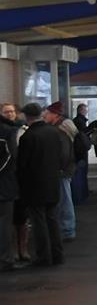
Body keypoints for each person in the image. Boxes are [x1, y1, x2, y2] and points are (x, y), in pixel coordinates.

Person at [17, 103, 67, 266]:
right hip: (53, 183)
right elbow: (61, 156)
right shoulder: (54, 132)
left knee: (39, 222)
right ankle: (57, 255)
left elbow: (22, 165)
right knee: (52, 220)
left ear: (26, 116)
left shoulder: (28, 137)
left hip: (34, 186)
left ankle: (43, 257)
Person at [43, 102, 78, 241]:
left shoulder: (60, 129)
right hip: (67, 167)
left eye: (47, 113)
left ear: (55, 115)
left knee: (64, 200)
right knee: (64, 199)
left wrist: (58, 167)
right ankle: (67, 228)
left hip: (62, 169)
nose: (44, 116)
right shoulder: (65, 126)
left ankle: (68, 230)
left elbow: (63, 152)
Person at [2, 104, 29, 262]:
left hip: (20, 180)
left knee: (22, 218)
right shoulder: (6, 132)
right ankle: (12, 250)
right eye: (6, 112)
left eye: (12, 111)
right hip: (9, 180)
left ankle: (23, 248)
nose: (10, 114)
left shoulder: (22, 130)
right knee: (9, 220)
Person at [0, 103, 19, 270]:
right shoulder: (7, 132)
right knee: (6, 223)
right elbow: (12, 157)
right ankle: (6, 259)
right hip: (5, 186)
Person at [71, 104, 89, 203]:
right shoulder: (80, 122)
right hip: (81, 151)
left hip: (79, 151)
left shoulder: (76, 121)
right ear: (81, 110)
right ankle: (81, 195)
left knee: (80, 173)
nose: (86, 112)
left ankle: (81, 194)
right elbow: (83, 135)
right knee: (81, 173)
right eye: (85, 110)